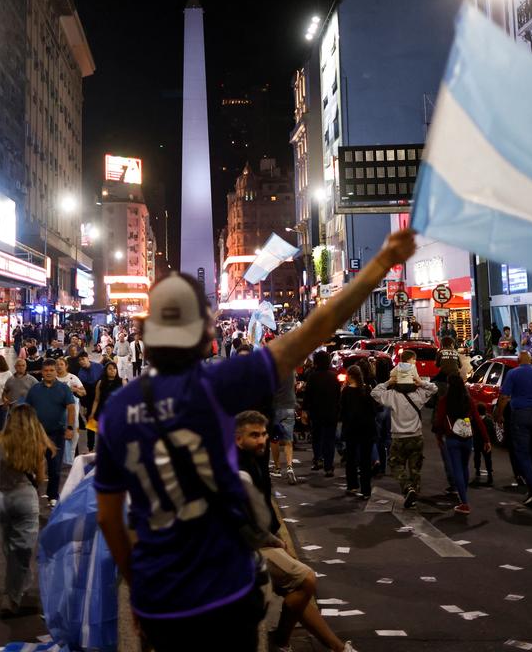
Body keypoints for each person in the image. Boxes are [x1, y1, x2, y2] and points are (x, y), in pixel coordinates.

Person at [94, 228, 416, 652]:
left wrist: (138, 586)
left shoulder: (116, 411)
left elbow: (109, 519)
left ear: (146, 333)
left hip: (161, 600)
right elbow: (314, 331)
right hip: (224, 590)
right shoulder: (216, 384)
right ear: (203, 332)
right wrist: (380, 261)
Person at [233, 411, 357, 652]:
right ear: (238, 439)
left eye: (264, 434)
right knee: (304, 580)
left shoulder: (249, 460)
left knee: (299, 584)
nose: (262, 440)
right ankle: (286, 641)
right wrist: (274, 540)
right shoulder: (237, 470)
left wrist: (275, 535)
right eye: (255, 435)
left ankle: (330, 647)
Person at [0, 404, 52, 617]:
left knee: (9, 547)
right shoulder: (36, 444)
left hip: (0, 497)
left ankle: (20, 590)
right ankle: (11, 597)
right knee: (22, 550)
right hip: (24, 496)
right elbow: (40, 479)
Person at [371, 355, 438, 509]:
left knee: (395, 464)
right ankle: (414, 495)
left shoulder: (392, 396)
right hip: (416, 436)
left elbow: (374, 393)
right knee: (415, 469)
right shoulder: (419, 394)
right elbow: (434, 389)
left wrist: (389, 382)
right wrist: (420, 382)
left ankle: (408, 488)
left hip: (399, 438)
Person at [494, 351, 532, 507]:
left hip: (521, 415)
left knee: (522, 453)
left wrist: (499, 415)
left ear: (519, 361)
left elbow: (504, 397)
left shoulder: (513, 374)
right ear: (531, 360)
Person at [434, 363, 490, 514]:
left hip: (452, 438)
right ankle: (463, 496)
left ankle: (464, 502)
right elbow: (478, 420)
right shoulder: (468, 400)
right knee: (465, 467)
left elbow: (439, 421)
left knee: (456, 468)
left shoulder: (444, 400)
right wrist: (486, 440)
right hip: (467, 437)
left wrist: (439, 437)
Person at [24, 359, 77, 506]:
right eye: (46, 371)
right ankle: (32, 493)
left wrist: (70, 428)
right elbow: (27, 409)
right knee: (32, 465)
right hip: (36, 434)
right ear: (42, 372)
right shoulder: (35, 389)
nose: (48, 373)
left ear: (56, 372)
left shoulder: (64, 388)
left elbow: (71, 408)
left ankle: (52, 495)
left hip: (56, 433)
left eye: (51, 370)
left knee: (55, 467)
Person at [338, 365, 378, 499]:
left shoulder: (346, 392)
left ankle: (353, 485)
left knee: (351, 459)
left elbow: (342, 412)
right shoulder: (367, 389)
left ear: (349, 376)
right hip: (367, 429)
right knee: (365, 460)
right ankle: (366, 490)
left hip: (351, 429)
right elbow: (374, 410)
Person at [302, 351, 341, 476]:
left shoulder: (312, 377)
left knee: (317, 437)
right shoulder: (333, 376)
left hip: (316, 412)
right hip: (331, 413)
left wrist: (304, 410)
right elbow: (338, 396)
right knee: (329, 440)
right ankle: (328, 466)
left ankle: (318, 459)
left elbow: (307, 395)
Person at [269, 369, 298, 484]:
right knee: (288, 439)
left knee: (274, 439)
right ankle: (290, 466)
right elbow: (294, 385)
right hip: (289, 406)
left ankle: (277, 468)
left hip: (276, 407)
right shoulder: (291, 370)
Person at [88, 361, 123, 451]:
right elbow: (96, 400)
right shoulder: (100, 382)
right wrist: (92, 413)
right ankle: (93, 450)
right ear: (105, 371)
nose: (113, 370)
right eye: (110, 369)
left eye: (114, 368)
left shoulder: (122, 381)